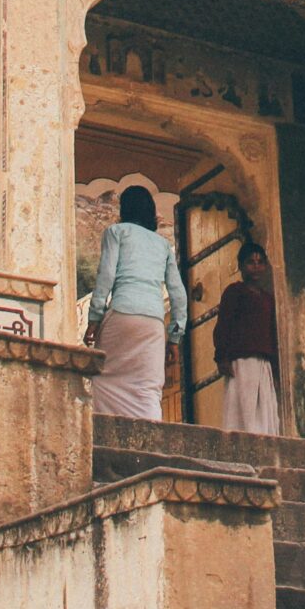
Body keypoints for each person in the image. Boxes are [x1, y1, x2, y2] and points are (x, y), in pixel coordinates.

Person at [86, 185, 188, 419]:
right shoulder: (162, 245)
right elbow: (178, 295)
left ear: (124, 210)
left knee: (103, 380)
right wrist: (174, 337)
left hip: (122, 315)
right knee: (148, 390)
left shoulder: (116, 232)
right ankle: (150, 446)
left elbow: (106, 277)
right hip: (153, 324)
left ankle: (104, 443)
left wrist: (94, 319)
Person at [212, 239, 281, 437]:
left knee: (263, 408)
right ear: (241, 266)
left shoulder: (268, 299)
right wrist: (221, 357)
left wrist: (275, 370)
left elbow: (272, 333)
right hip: (241, 361)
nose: (256, 267)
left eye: (260, 262)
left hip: (263, 362)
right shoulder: (234, 292)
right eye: (251, 262)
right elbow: (223, 325)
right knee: (243, 407)